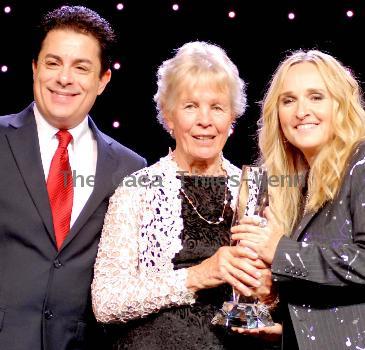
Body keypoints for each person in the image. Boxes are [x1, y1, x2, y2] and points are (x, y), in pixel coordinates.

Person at [91, 41, 279, 350]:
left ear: (232, 117)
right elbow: (106, 302)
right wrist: (199, 275)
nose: (205, 120)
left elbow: (265, 307)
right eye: (190, 106)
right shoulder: (137, 189)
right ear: (168, 115)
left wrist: (268, 294)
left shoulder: (257, 188)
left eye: (217, 107)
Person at [0, 5, 146, 350]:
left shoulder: (129, 168)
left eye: (81, 68)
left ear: (103, 80)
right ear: (35, 68)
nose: (64, 78)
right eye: (53, 63)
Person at [231, 49, 365, 349]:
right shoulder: (296, 185)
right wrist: (284, 328)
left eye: (316, 96)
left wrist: (280, 250)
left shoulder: (362, 162)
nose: (301, 111)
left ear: (341, 104)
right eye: (288, 100)